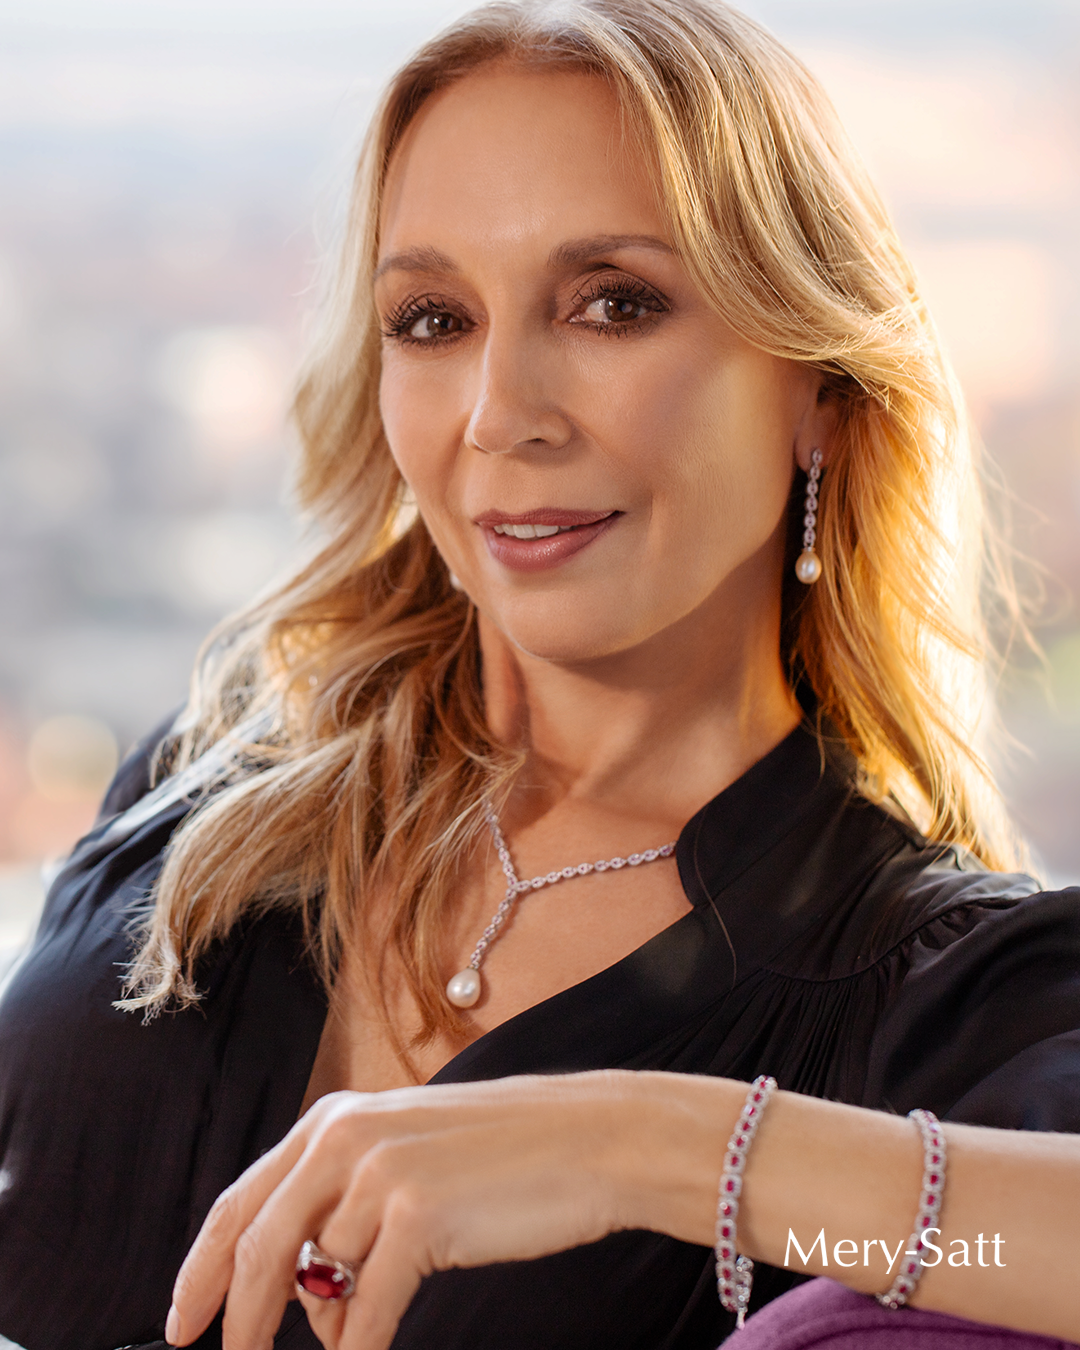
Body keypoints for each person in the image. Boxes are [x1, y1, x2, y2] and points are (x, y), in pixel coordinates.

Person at [0, 1, 1078, 1348]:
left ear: (820, 389)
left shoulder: (936, 988)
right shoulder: (205, 777)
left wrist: (640, 1147)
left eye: (614, 303)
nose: (501, 414)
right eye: (433, 318)